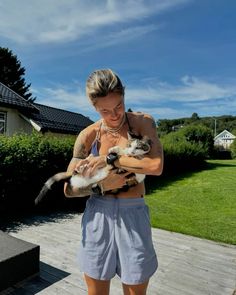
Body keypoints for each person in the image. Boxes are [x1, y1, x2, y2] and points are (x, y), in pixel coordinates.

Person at [64, 69, 163, 295]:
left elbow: (155, 166)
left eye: (118, 106)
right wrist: (100, 185)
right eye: (105, 111)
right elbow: (68, 189)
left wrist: (111, 158)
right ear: (94, 107)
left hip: (133, 214)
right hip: (98, 215)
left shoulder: (142, 123)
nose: (114, 115)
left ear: (124, 96)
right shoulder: (87, 136)